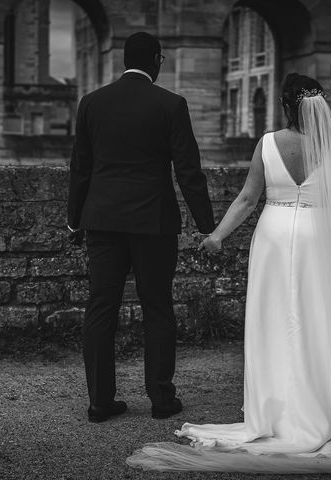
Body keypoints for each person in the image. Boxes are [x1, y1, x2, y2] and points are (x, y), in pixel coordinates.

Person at [126, 73, 331, 473]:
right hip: (323, 241)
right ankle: (327, 408)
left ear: (285, 106)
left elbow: (248, 198)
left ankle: (275, 413)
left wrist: (216, 236)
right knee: (322, 322)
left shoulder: (268, 143)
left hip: (275, 239)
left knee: (275, 322)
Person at [67, 32, 215, 423]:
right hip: (154, 223)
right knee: (157, 307)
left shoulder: (92, 103)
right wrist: (206, 226)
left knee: (101, 307)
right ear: (155, 59)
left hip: (102, 220)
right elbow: (188, 171)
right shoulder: (170, 104)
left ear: (123, 60)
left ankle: (100, 402)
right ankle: (161, 400)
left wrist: (73, 218)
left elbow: (80, 168)